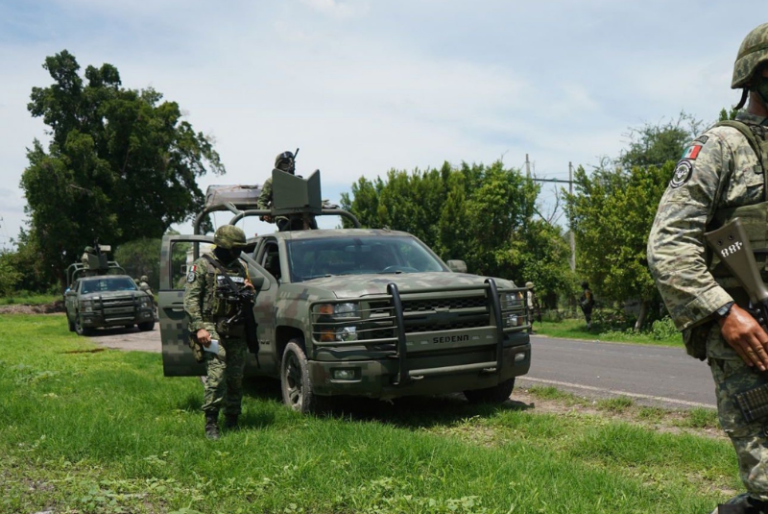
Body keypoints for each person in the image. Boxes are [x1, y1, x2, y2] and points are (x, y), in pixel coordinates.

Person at [648, 23, 768, 514]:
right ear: (758, 74)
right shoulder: (720, 146)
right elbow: (668, 245)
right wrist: (723, 312)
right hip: (753, 342)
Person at [183, 225, 255, 440]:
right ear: (224, 246)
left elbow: (247, 297)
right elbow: (190, 300)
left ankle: (233, 419)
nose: (238, 252)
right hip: (210, 325)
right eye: (235, 248)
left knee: (235, 376)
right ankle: (211, 422)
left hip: (235, 327)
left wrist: (251, 293)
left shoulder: (241, 268)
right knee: (217, 372)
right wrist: (199, 328)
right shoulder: (202, 266)